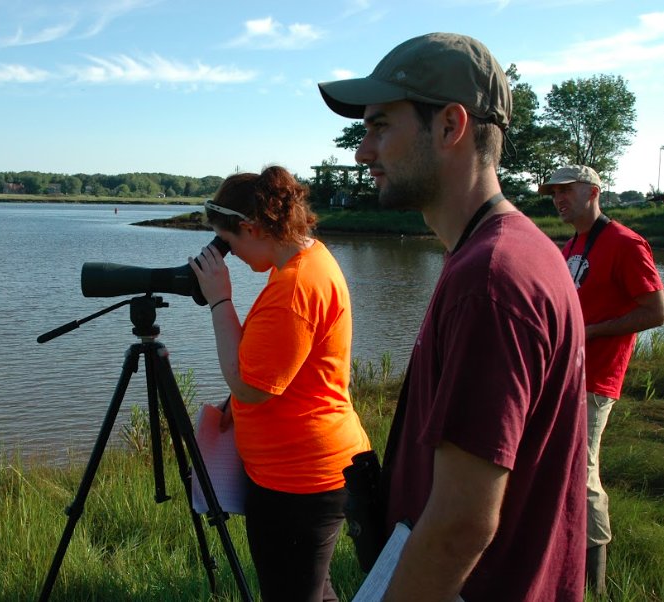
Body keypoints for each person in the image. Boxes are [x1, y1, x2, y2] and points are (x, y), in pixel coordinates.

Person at [318, 33, 587, 601]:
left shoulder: (490, 280)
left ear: (449, 126)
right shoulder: (512, 252)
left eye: (381, 125)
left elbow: (461, 524)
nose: (364, 151)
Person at [189, 165, 371, 602]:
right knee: (311, 590)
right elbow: (288, 368)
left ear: (251, 227)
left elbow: (251, 385)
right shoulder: (309, 260)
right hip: (307, 471)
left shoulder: (293, 288)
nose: (231, 256)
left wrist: (220, 299)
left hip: (299, 482)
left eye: (229, 244)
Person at [539, 164, 664, 595]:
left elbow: (656, 310)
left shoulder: (626, 243)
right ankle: (562, 560)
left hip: (596, 379)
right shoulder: (570, 245)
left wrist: (589, 332)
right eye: (553, 193)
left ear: (593, 191)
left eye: (566, 191)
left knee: (582, 470)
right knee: (557, 467)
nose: (558, 199)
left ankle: (595, 581)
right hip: (563, 376)